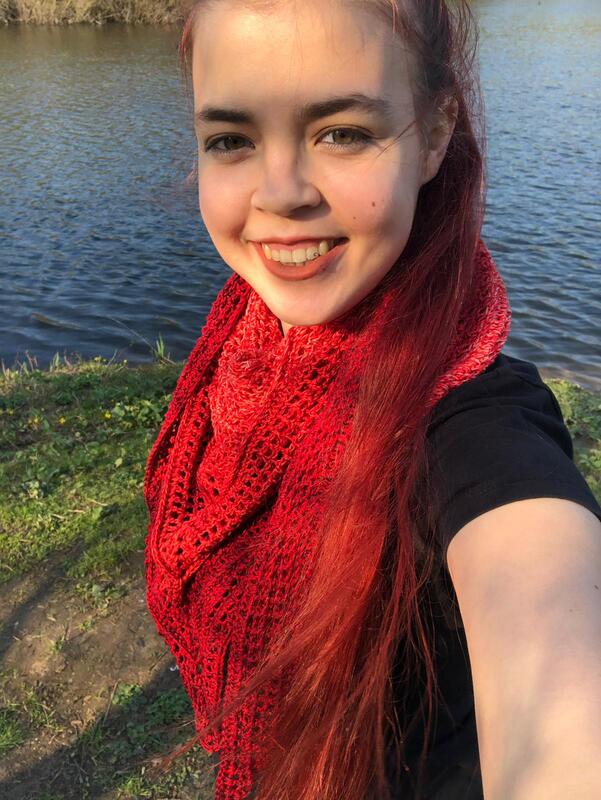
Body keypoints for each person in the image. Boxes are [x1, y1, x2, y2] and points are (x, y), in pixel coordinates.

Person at [143, 1, 601, 798]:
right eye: (231, 140)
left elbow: (557, 678)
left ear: (434, 134)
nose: (280, 192)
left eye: (342, 132)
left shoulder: (473, 429)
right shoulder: (241, 352)